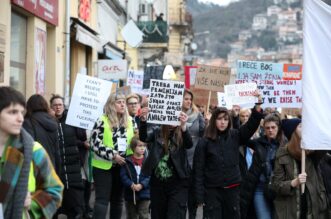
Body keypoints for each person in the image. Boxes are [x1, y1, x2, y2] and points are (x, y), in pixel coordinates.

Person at [193, 91, 263, 219]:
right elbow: (198, 169)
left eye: (225, 119)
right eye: (219, 119)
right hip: (212, 191)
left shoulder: (235, 136)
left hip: (233, 189)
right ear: (214, 121)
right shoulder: (204, 142)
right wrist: (199, 196)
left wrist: (258, 104)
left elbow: (251, 125)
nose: (223, 122)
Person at [0, 86, 63, 218]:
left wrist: (32, 202)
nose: (20, 119)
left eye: (22, 113)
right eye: (12, 112)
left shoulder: (33, 150)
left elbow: (55, 191)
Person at [139, 107, 193, 219]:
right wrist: (143, 121)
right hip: (158, 184)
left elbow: (189, 144)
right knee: (158, 214)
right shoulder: (157, 131)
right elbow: (144, 137)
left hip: (178, 184)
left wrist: (183, 126)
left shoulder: (182, 132)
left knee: (175, 214)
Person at [271, 119, 329, 219]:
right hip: (290, 210)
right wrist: (294, 182)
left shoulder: (313, 151)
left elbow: (325, 143)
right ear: (293, 132)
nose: (304, 128)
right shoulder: (282, 153)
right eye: (300, 126)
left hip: (312, 208)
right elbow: (276, 185)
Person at [90, 93, 134, 219]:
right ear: (111, 105)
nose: (122, 104)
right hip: (103, 167)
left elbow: (135, 142)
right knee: (102, 200)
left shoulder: (130, 121)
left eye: (123, 102)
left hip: (122, 167)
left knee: (117, 201)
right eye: (118, 102)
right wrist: (113, 155)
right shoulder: (102, 120)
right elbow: (94, 143)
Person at [240, 113, 287, 219]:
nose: (270, 130)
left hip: (279, 189)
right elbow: (242, 137)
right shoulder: (258, 143)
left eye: (273, 127)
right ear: (264, 129)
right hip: (260, 188)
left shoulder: (286, 145)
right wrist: (250, 122)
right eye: (267, 128)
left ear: (278, 128)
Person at [50, 94, 88, 218]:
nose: (58, 107)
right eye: (55, 105)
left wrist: (82, 143)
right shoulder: (48, 122)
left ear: (63, 106)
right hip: (56, 167)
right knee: (56, 204)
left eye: (60, 104)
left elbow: (80, 138)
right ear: (51, 107)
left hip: (73, 167)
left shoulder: (72, 120)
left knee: (75, 204)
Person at [182, 89, 205, 219]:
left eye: (190, 99)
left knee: (192, 196)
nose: (189, 101)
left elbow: (205, 134)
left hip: (194, 160)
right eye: (186, 99)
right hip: (179, 159)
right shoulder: (172, 114)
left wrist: (207, 122)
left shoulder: (197, 115)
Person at [23, 94, 61, 174]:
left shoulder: (28, 122)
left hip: (35, 169)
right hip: (51, 168)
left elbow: (27, 148)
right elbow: (57, 151)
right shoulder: (53, 121)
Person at [120, 136, 150, 219]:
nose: (142, 148)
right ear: (133, 147)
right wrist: (130, 184)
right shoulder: (127, 161)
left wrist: (142, 185)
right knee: (131, 215)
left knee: (143, 215)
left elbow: (150, 176)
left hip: (145, 193)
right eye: (140, 146)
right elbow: (123, 175)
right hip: (130, 194)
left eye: (144, 146)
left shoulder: (148, 161)